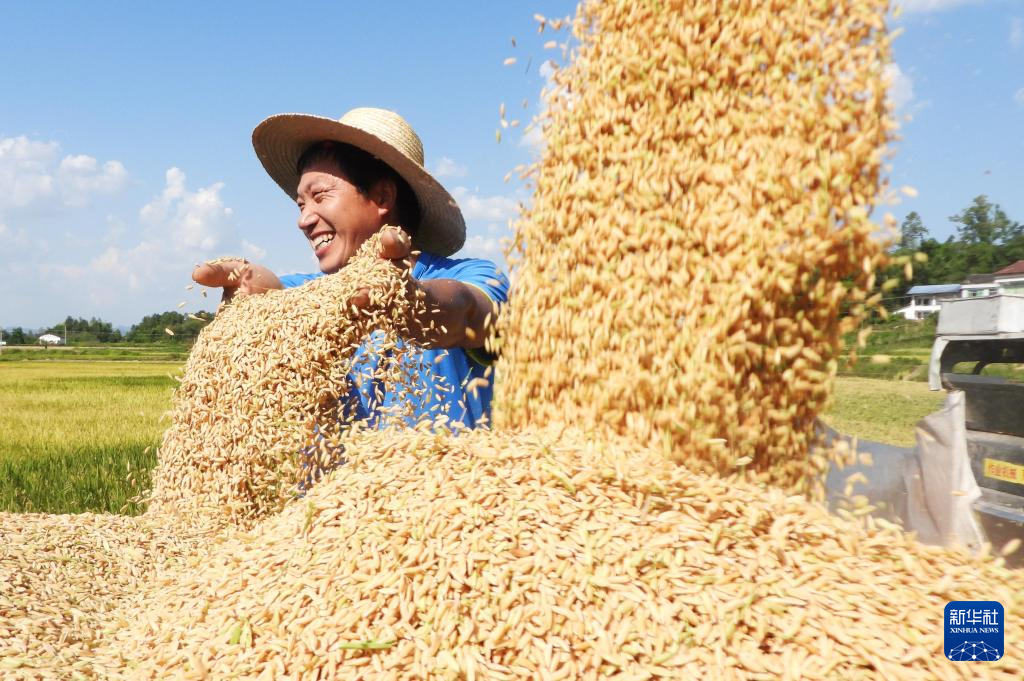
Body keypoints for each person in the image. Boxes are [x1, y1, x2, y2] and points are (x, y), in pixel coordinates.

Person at [192, 107, 509, 430]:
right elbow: (278, 298)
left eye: (320, 196)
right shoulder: (311, 292)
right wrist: (258, 299)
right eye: (301, 205)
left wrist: (406, 298)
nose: (304, 220)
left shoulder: (473, 276)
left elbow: (468, 311)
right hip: (336, 483)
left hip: (439, 478)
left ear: (382, 196)